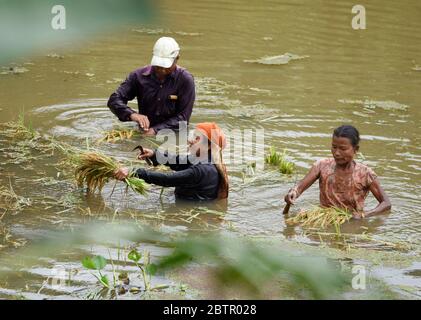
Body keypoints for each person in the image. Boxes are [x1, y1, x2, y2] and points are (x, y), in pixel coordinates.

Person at [284, 125, 391, 219]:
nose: (337, 153)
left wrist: (365, 215)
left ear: (355, 149)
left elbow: (386, 203)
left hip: (352, 220)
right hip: (324, 217)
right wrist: (293, 193)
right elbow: (300, 187)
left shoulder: (365, 174)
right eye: (334, 147)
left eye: (343, 149)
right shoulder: (322, 165)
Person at [114, 122, 229, 201]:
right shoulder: (203, 160)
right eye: (193, 136)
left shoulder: (202, 170)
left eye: (197, 138)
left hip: (191, 211)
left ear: (209, 147)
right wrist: (155, 154)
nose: (191, 141)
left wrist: (134, 172)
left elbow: (168, 179)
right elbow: (178, 160)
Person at [107, 37, 195, 136]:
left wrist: (155, 130)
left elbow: (183, 118)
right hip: (144, 131)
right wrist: (132, 115)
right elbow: (114, 100)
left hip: (173, 134)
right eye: (158, 66)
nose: (162, 70)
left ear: (177, 58)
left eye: (166, 67)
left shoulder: (185, 80)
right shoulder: (138, 76)